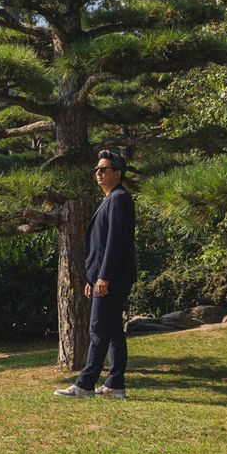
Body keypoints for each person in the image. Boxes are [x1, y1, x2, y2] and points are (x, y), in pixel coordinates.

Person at [55, 149, 136, 399]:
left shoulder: (119, 199)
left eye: (104, 169)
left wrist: (104, 277)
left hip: (113, 278)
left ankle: (85, 384)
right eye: (97, 169)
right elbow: (102, 246)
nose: (98, 173)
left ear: (117, 173)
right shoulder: (111, 199)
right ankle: (115, 385)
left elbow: (114, 242)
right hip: (106, 277)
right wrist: (93, 278)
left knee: (98, 328)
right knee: (113, 331)